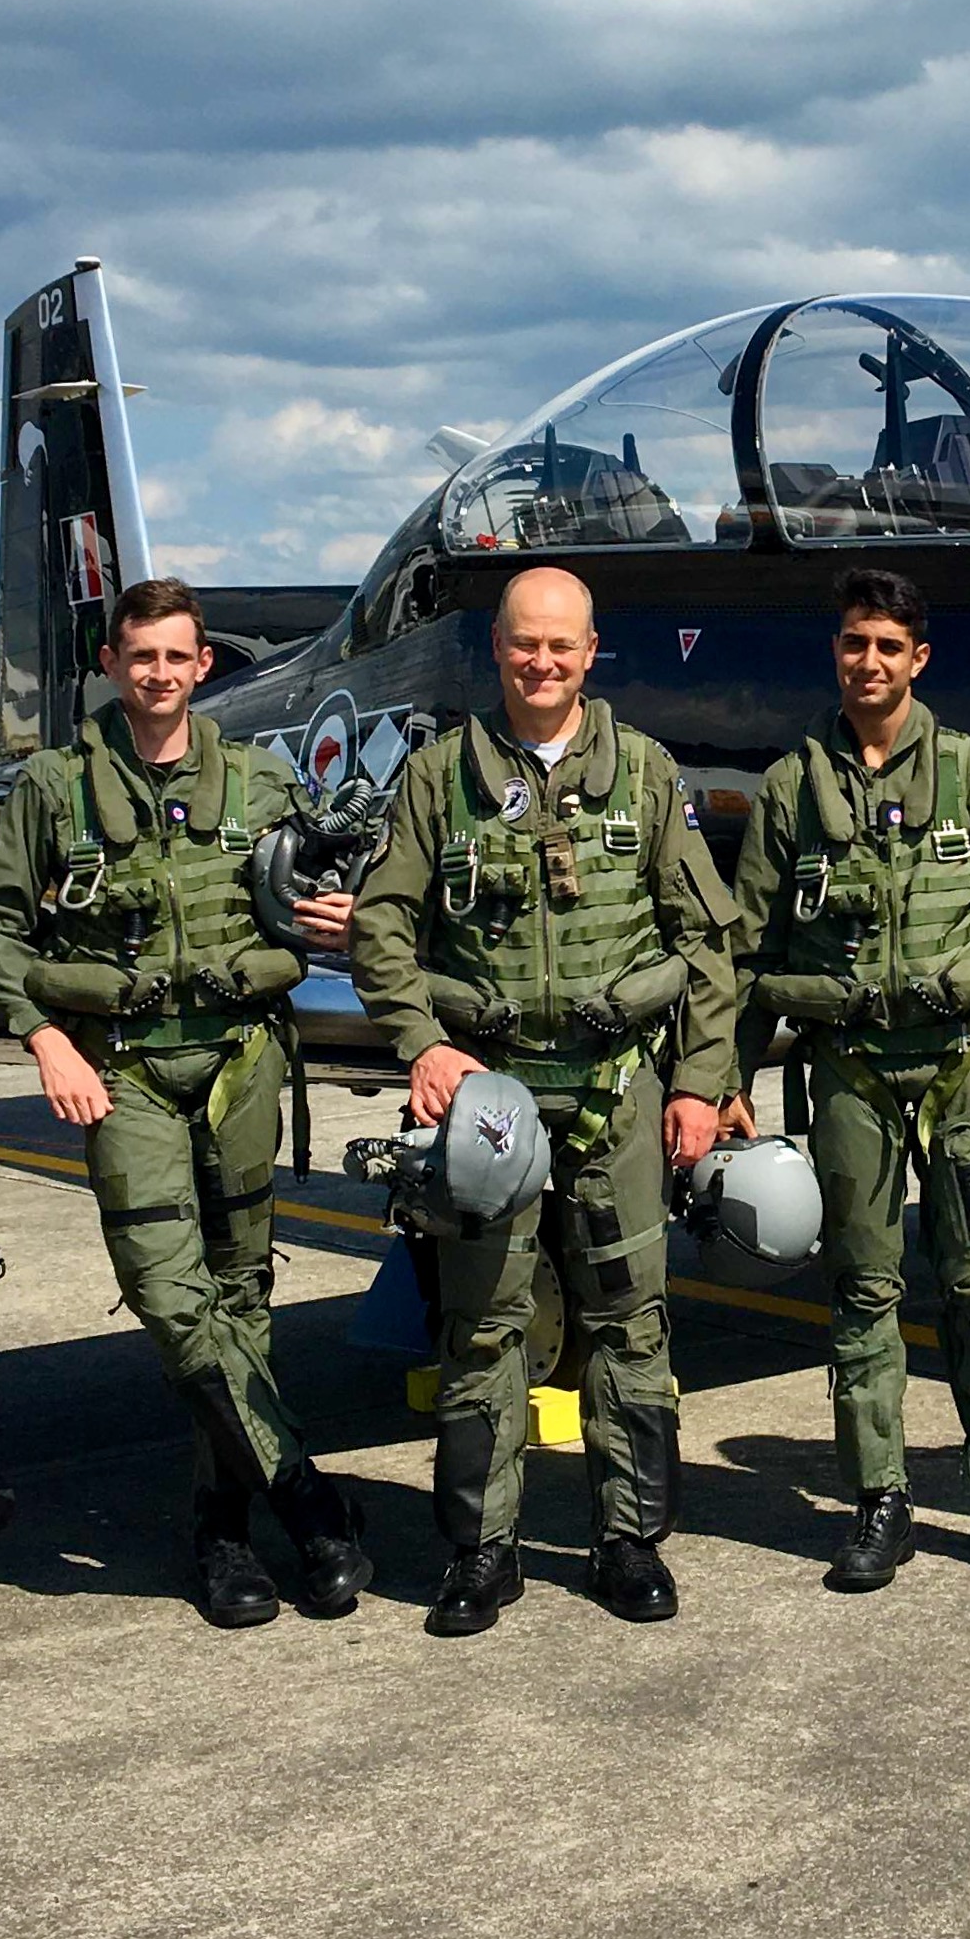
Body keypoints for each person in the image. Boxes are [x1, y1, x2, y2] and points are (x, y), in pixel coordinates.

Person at [0, 578, 371, 1627]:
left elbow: (320, 907)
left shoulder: (264, 783)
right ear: (113, 665)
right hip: (125, 1067)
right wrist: (45, 1037)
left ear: (201, 666)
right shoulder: (53, 790)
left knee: (240, 1306)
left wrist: (345, 919)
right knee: (171, 1300)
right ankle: (307, 1497)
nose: (158, 674)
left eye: (177, 657)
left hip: (238, 1062)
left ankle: (221, 1534)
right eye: (139, 656)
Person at [348, 565, 736, 1632]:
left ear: (590, 651)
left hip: (619, 1093)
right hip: (494, 1101)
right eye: (525, 644)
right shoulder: (437, 779)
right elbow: (381, 929)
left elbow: (706, 941)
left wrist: (700, 1082)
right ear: (499, 650)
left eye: (561, 646)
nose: (542, 662)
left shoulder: (648, 775)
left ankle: (628, 1542)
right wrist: (421, 1043)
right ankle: (481, 1552)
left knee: (630, 1325)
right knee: (480, 1328)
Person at [720, 566, 970, 1594]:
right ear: (836, 653)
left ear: (918, 658)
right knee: (863, 1292)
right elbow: (747, 948)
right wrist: (732, 1070)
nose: (866, 662)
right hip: (851, 1078)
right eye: (851, 644)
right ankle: (878, 1500)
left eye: (886, 646)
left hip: (961, 1070)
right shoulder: (791, 787)